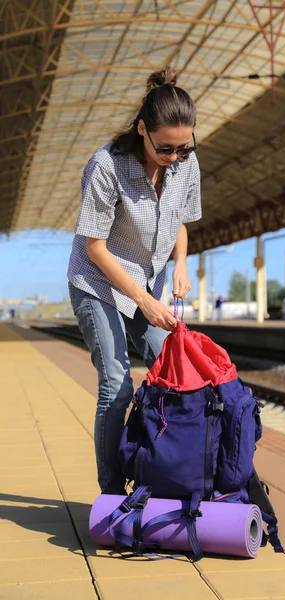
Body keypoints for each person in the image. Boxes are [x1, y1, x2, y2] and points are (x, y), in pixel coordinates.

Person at [67, 66, 201, 494]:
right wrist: (145, 300)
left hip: (148, 284)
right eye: (166, 148)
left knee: (171, 368)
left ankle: (164, 473)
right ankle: (110, 493)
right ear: (142, 129)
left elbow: (180, 220)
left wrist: (181, 265)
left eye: (183, 147)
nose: (175, 157)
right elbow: (95, 247)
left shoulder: (186, 164)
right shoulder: (106, 166)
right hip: (98, 283)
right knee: (116, 385)